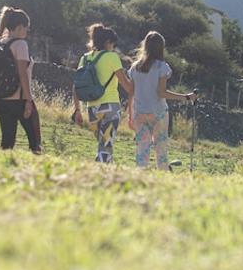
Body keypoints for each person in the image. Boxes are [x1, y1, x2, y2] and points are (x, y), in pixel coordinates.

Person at [127, 31, 196, 170]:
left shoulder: (135, 67)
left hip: (139, 112)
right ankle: (163, 173)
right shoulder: (162, 67)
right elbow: (161, 93)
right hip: (158, 113)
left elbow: (131, 93)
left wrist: (130, 114)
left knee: (142, 148)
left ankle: (140, 174)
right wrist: (186, 97)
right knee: (161, 147)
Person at [72, 24, 133, 163]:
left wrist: (77, 110)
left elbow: (76, 86)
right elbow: (127, 86)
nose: (114, 47)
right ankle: (101, 175)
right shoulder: (112, 57)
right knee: (106, 145)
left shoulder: (85, 58)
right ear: (108, 42)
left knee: (103, 145)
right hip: (110, 107)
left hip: (92, 109)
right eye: (113, 44)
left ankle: (103, 170)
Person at [0, 6, 42, 154]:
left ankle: (1, 172)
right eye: (27, 28)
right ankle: (39, 172)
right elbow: (22, 74)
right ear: (20, 27)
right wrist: (28, 101)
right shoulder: (20, 44)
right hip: (19, 99)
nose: (27, 32)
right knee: (35, 142)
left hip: (2, 99)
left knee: (7, 142)